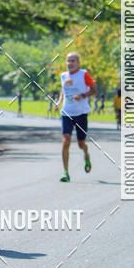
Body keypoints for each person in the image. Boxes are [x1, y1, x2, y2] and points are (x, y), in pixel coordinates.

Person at [55, 52, 97, 182]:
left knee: (80, 143)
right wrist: (59, 102)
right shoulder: (63, 75)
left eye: (73, 61)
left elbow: (94, 89)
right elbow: (63, 89)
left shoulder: (84, 74)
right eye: (68, 61)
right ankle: (66, 173)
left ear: (78, 63)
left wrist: (82, 96)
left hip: (81, 113)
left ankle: (86, 153)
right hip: (67, 113)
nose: (70, 63)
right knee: (66, 141)